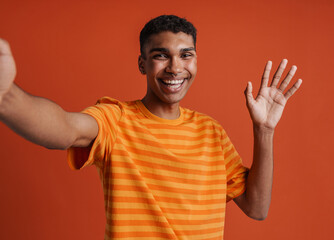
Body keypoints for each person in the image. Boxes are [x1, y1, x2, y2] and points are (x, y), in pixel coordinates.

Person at [0, 15, 302, 240]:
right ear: (142, 63)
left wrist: (264, 130)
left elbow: (256, 208)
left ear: (196, 60)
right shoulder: (116, 120)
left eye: (186, 54)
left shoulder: (212, 132)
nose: (175, 67)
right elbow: (63, 128)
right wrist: (6, 96)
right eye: (161, 55)